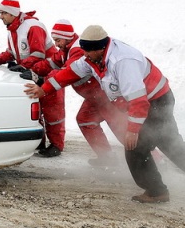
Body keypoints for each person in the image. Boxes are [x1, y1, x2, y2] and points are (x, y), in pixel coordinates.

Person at [25, 25, 185, 203]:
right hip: (153, 99)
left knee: (135, 147)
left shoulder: (122, 61)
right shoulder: (93, 56)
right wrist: (45, 89)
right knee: (172, 145)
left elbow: (139, 101)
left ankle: (156, 192)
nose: (85, 57)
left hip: (154, 101)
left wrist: (133, 130)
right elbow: (70, 72)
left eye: (88, 53)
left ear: (99, 48)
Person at [0, 0, 65, 157]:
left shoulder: (33, 26)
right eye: (0, 12)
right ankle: (39, 141)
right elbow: (12, 52)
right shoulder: (13, 29)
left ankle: (57, 145)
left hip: (49, 72)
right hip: (30, 73)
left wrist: (23, 65)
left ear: (13, 13)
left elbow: (38, 54)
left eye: (3, 13)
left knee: (53, 111)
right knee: (34, 108)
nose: (0, 16)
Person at [46, 20, 134, 167]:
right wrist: (32, 70)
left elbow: (67, 72)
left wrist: (43, 78)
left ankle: (154, 160)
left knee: (122, 128)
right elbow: (51, 63)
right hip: (95, 98)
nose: (56, 44)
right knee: (85, 119)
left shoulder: (77, 50)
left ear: (67, 37)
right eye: (54, 40)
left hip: (106, 96)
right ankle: (107, 158)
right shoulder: (65, 51)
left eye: (58, 40)